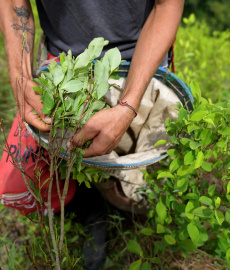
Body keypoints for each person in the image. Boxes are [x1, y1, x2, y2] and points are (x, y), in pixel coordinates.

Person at [0, 0, 185, 269]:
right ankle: (89, 209)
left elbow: (167, 5)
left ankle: (114, 195)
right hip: (64, 64)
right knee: (15, 188)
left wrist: (128, 106)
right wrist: (21, 79)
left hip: (139, 60)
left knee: (144, 191)